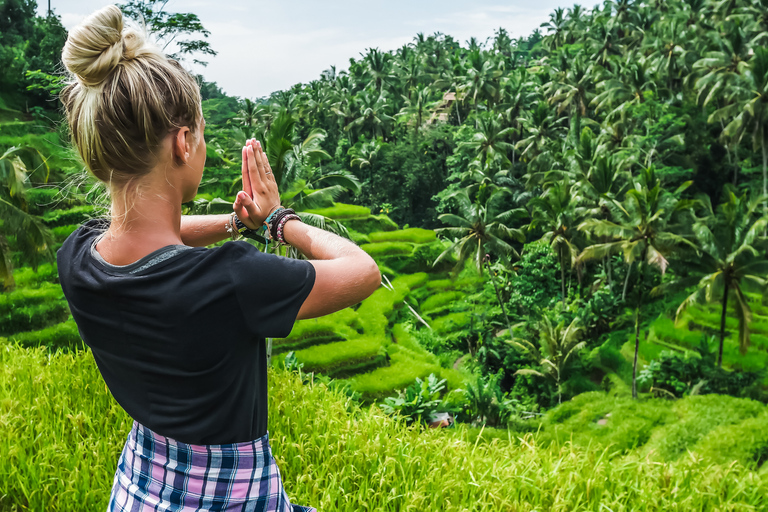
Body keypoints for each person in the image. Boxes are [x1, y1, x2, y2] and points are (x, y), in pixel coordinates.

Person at [55, 5, 380, 511]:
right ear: (183, 143)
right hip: (230, 496)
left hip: (141, 487)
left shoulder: (78, 255)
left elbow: (153, 235)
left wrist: (236, 224)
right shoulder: (231, 279)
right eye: (201, 134)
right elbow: (363, 271)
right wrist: (277, 220)